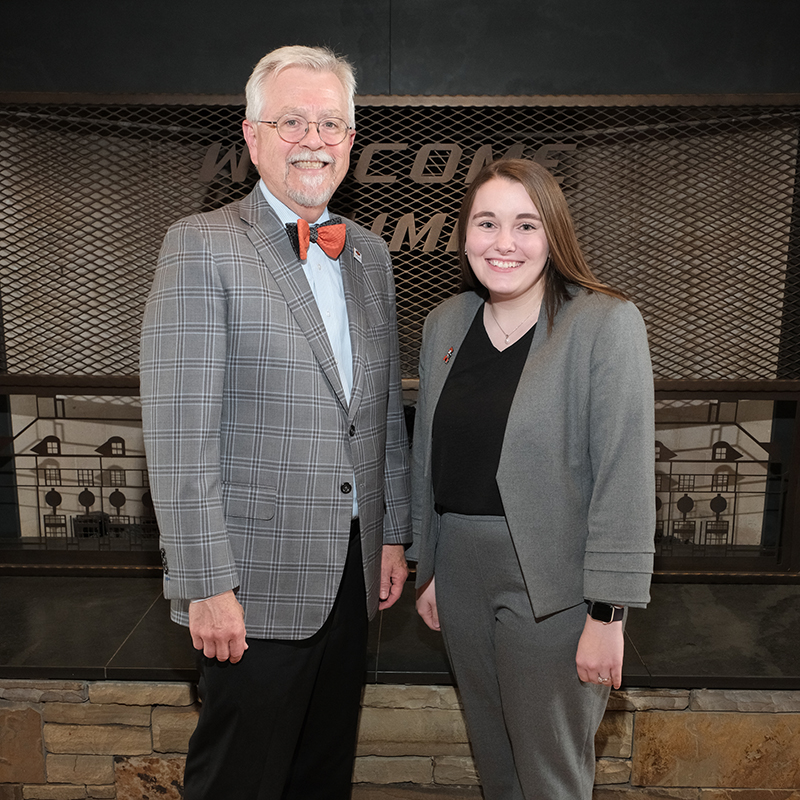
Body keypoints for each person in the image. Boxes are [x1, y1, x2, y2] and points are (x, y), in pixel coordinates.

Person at [140, 45, 411, 800]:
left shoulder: (369, 255)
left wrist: (393, 534)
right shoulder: (200, 246)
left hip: (353, 575)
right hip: (250, 586)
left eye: (332, 123)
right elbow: (177, 432)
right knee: (239, 782)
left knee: (321, 777)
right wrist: (206, 584)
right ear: (254, 137)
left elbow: (382, 411)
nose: (314, 139)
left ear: (352, 143)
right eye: (293, 120)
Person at [411, 158, 655, 799]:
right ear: (464, 233)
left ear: (554, 235)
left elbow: (624, 473)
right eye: (486, 223)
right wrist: (430, 565)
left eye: (526, 224)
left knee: (549, 777)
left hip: (554, 584)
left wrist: (609, 613)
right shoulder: (445, 323)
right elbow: (428, 454)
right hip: (460, 574)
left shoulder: (604, 323)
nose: (504, 242)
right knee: (496, 765)